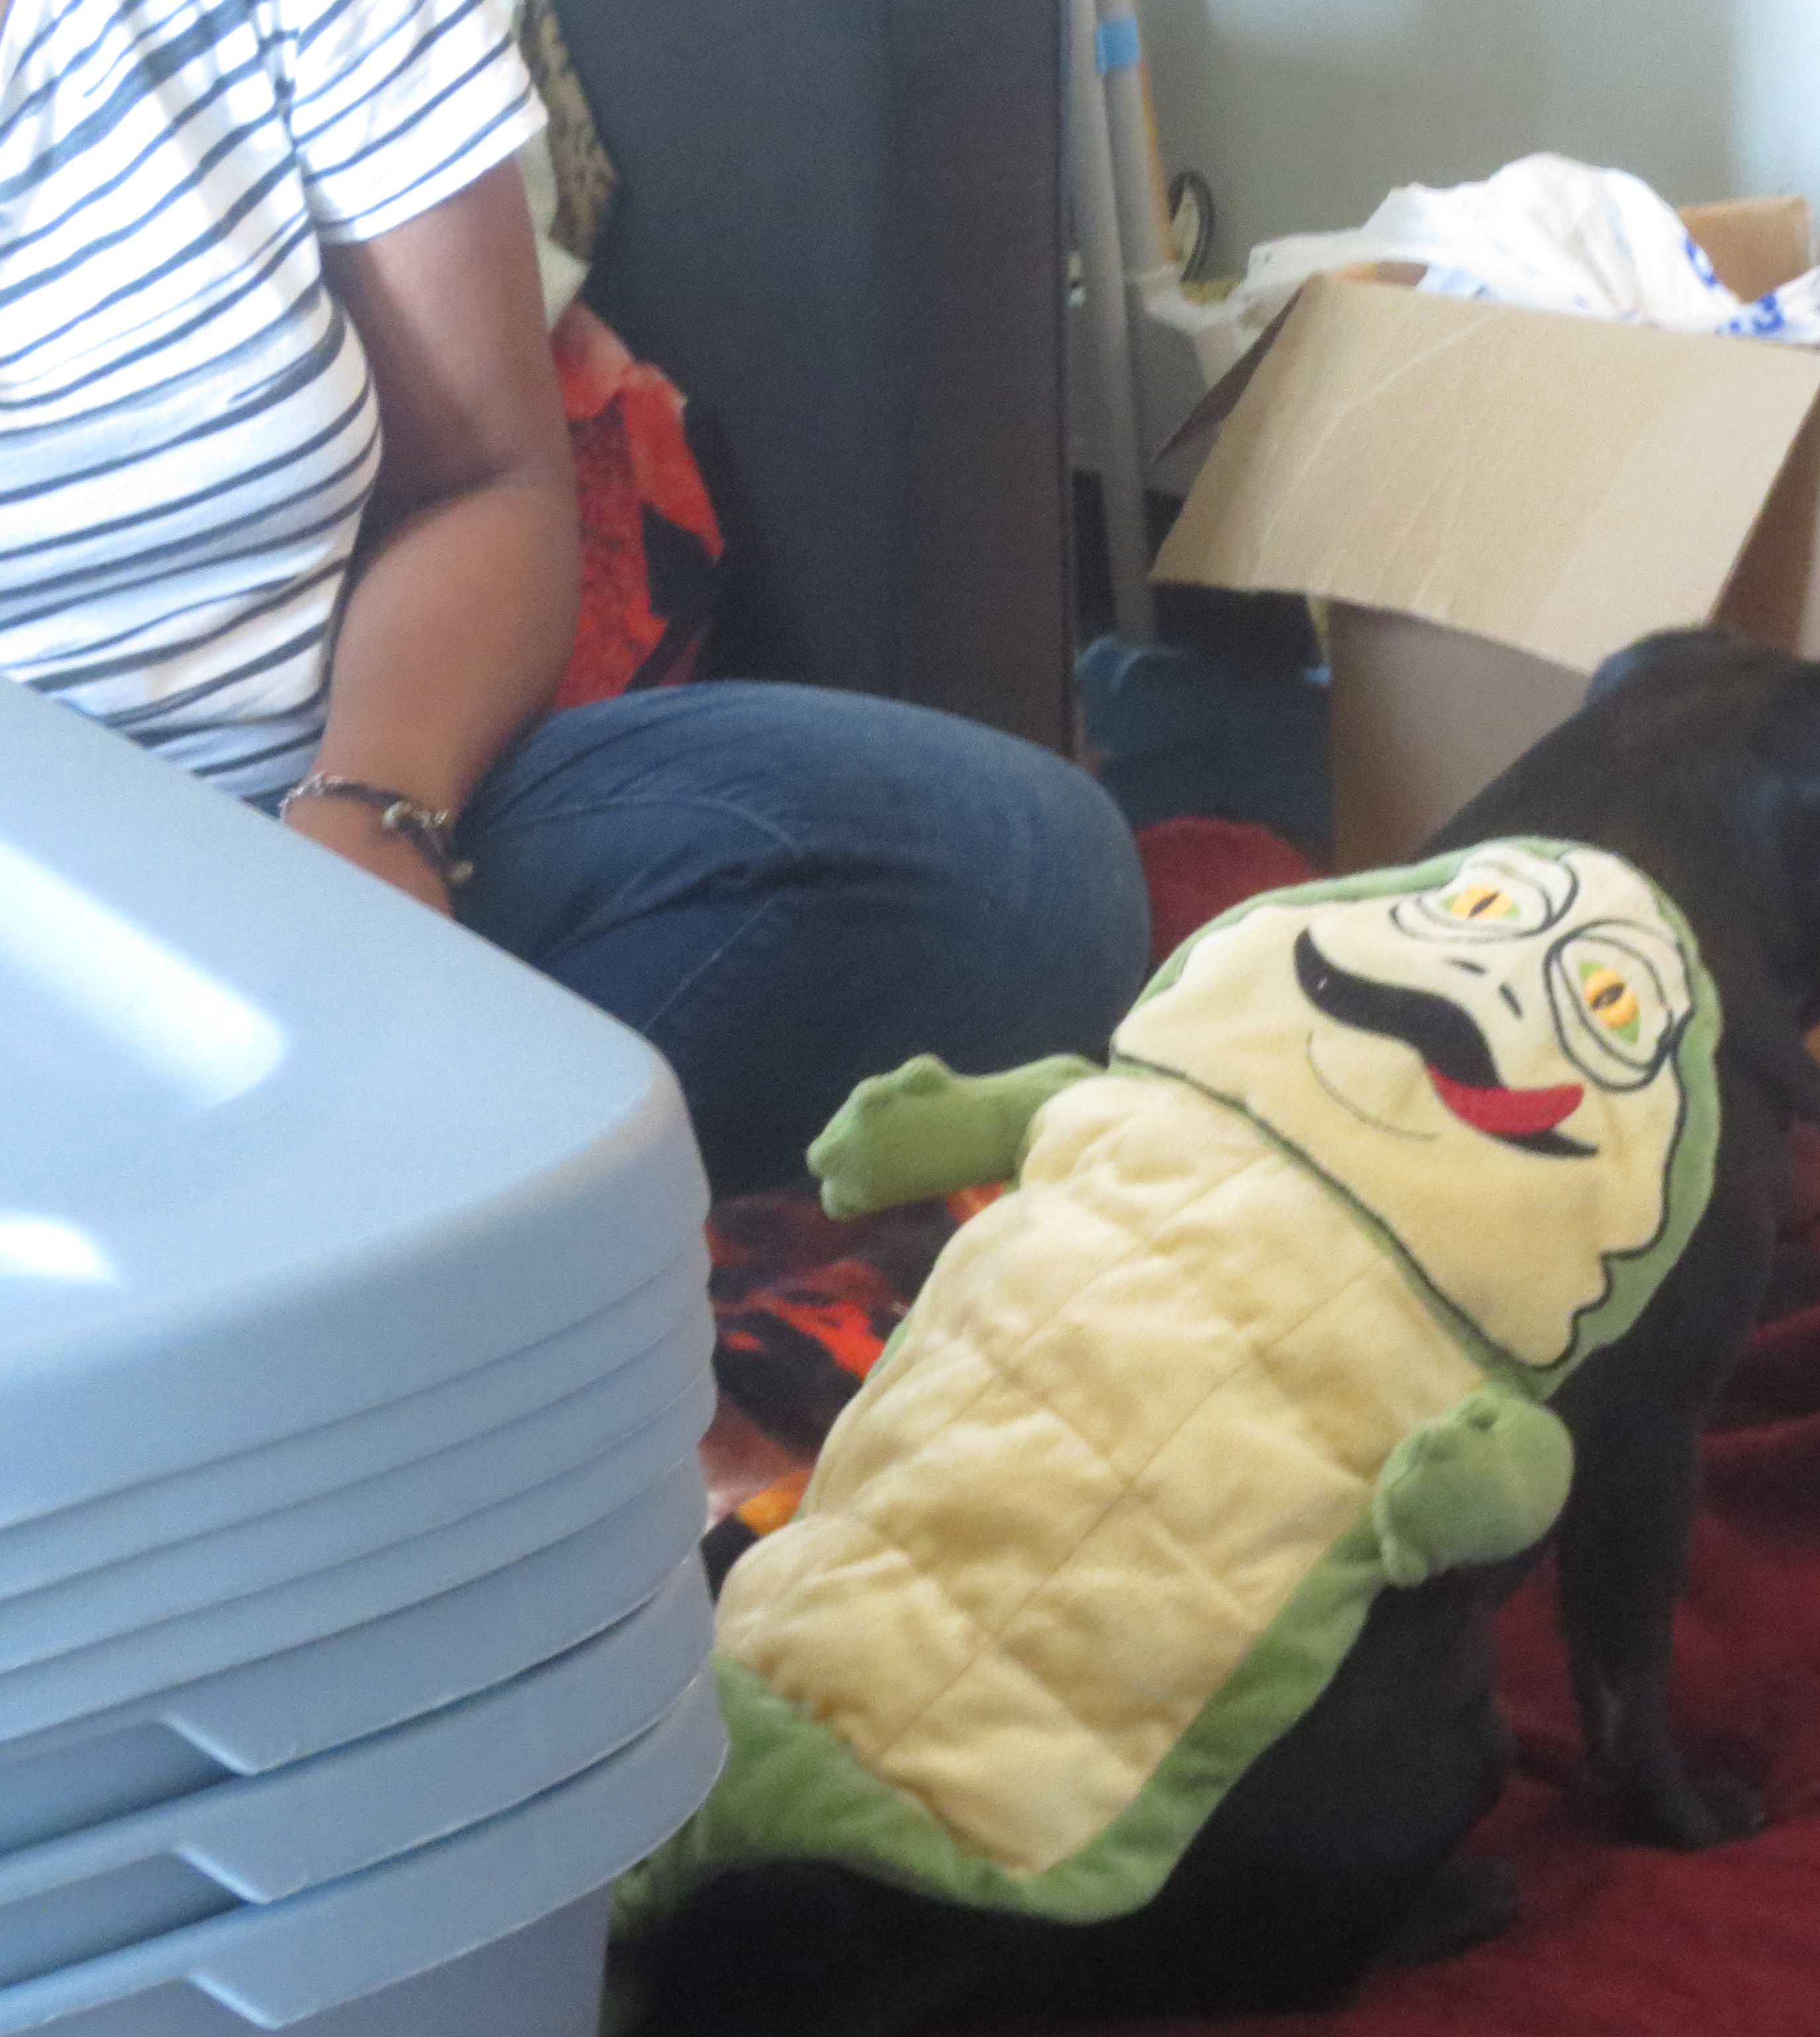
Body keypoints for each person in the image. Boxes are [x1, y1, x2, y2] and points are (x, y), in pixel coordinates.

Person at [0, 0, 1149, 1202]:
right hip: (40, 935)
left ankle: (289, 1194)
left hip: (309, 817)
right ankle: (358, 1199)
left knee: (1018, 875)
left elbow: (483, 480)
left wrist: (369, 820)